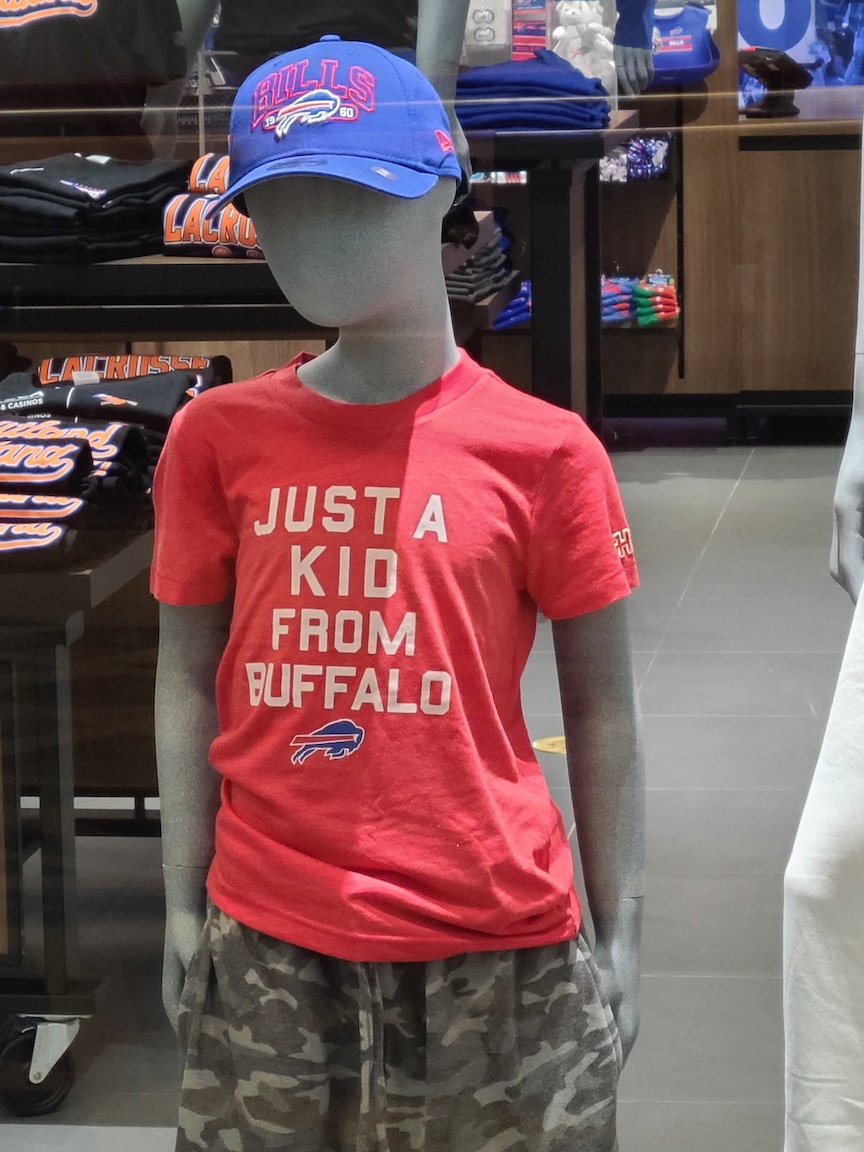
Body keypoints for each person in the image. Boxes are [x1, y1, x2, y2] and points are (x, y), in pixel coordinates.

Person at [152, 36, 644, 1152]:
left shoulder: (545, 453)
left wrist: (623, 929)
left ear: (441, 190)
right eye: (279, 207)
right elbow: (186, 673)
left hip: (495, 937)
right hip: (270, 937)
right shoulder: (215, 438)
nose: (310, 237)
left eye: (354, 194)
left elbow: (603, 707)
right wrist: (183, 902)